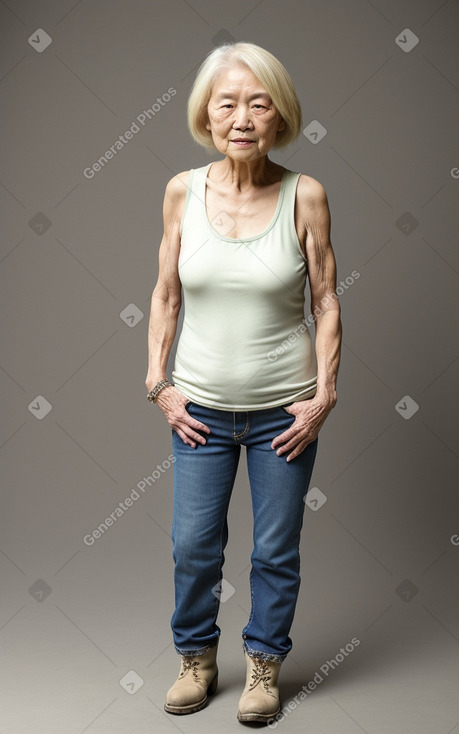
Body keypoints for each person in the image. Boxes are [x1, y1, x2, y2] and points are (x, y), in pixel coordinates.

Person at [145, 41, 342, 724]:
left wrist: (323, 394)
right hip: (198, 408)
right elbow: (166, 295)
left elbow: (325, 300)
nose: (242, 117)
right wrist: (158, 385)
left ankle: (263, 667)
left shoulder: (304, 193)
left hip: (282, 417)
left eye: (258, 103)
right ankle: (195, 659)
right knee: (192, 545)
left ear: (278, 113)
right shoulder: (181, 191)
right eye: (227, 102)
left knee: (274, 549)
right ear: (206, 112)